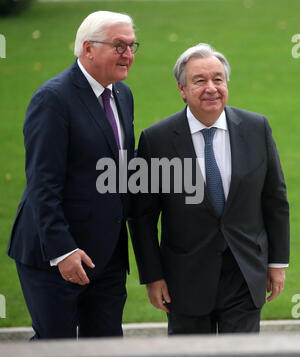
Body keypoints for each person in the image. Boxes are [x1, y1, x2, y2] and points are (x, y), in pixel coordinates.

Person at [129, 43, 289, 334]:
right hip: (184, 278)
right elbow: (143, 217)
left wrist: (277, 263)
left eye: (218, 79)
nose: (211, 88)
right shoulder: (157, 140)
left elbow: (275, 200)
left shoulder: (257, 128)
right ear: (182, 89)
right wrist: (152, 276)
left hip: (244, 271)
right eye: (199, 80)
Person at [7, 10, 138, 339]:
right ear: (87, 48)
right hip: (55, 257)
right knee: (57, 349)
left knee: (107, 347)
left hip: (106, 258)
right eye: (119, 45)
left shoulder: (123, 95)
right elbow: (43, 185)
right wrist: (62, 251)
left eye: (133, 45)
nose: (129, 54)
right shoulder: (53, 99)